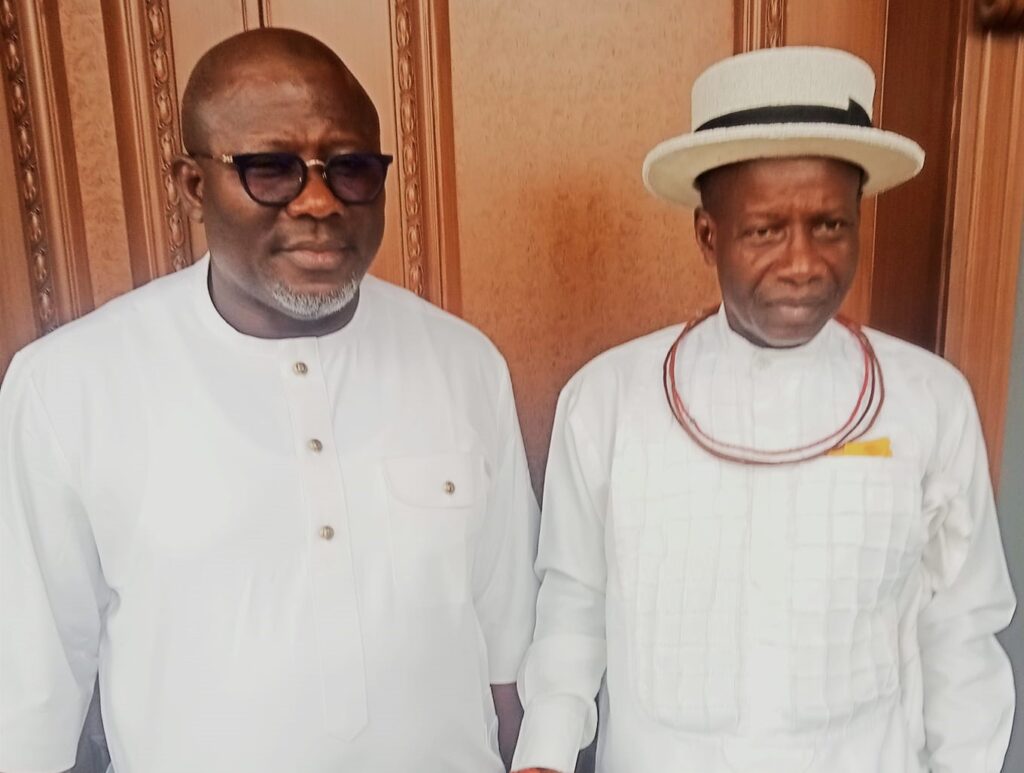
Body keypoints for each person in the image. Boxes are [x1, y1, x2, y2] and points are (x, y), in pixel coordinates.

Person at [0, 28, 539, 773]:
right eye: (270, 169)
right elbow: (29, 704)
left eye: (349, 169)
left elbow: (509, 655)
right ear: (194, 186)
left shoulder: (463, 364)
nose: (318, 201)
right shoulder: (69, 387)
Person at [510, 47, 1016, 773]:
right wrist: (544, 758)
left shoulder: (930, 402)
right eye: (765, 230)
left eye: (831, 225)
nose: (804, 261)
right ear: (708, 235)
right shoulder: (609, 401)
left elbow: (961, 629)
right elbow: (573, 607)